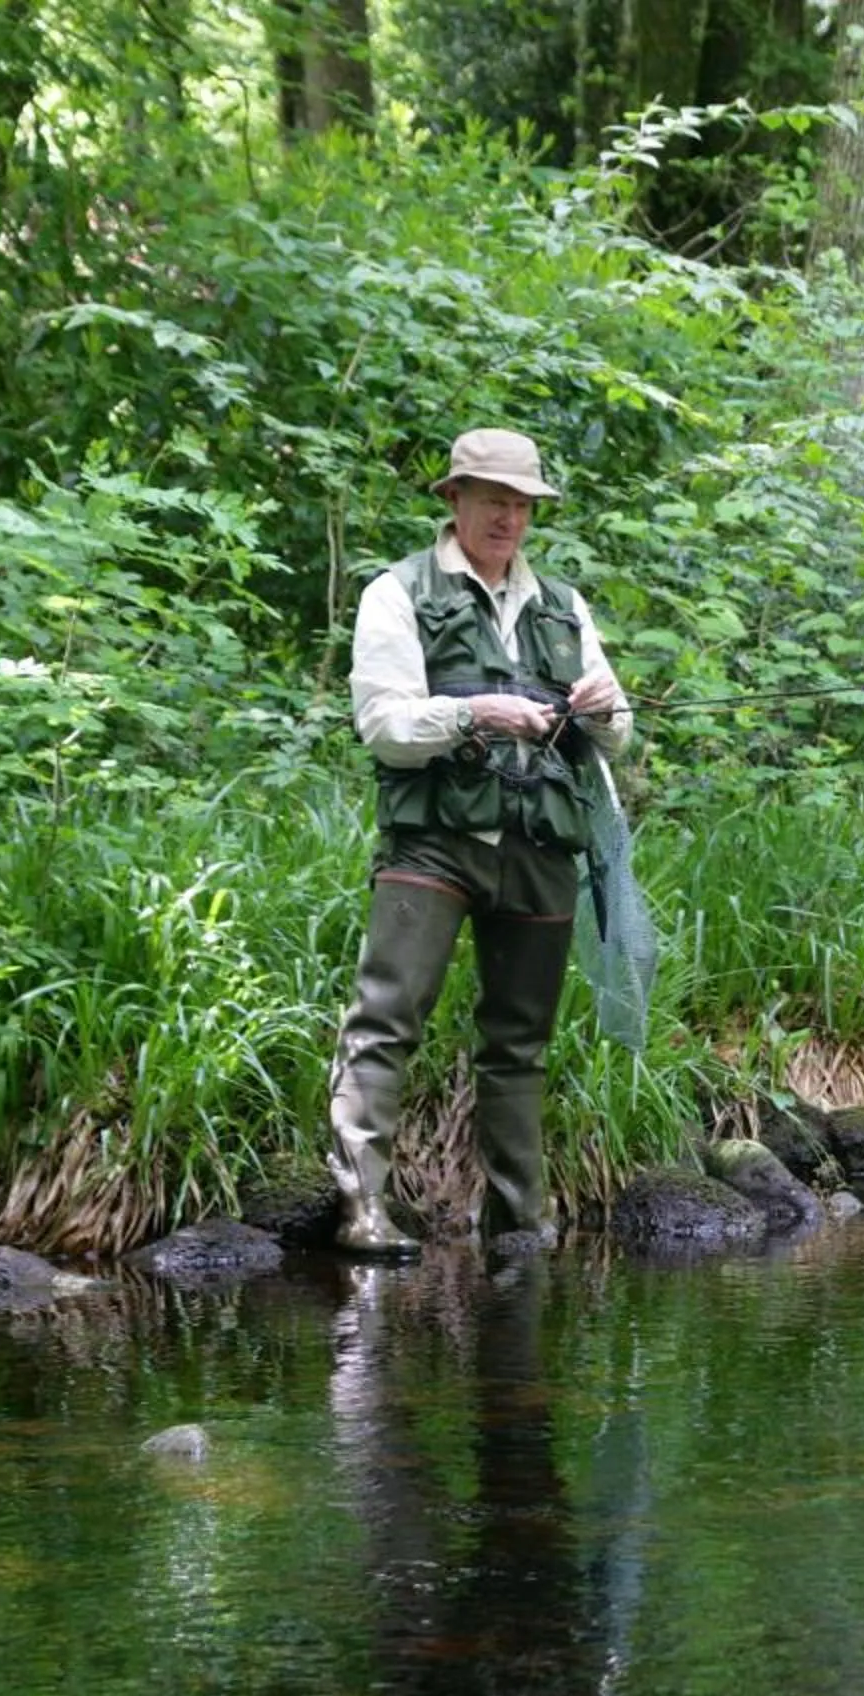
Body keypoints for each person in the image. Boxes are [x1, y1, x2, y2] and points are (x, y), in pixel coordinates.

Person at [326, 428, 633, 1258]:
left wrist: (604, 709)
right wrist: (474, 713)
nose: (508, 516)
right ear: (455, 499)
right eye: (493, 499)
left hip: (540, 847)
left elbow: (617, 737)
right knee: (386, 1020)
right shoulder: (397, 593)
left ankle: (519, 1221)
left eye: (522, 503)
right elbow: (383, 724)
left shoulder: (564, 606)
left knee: (520, 1042)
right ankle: (362, 1210)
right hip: (434, 844)